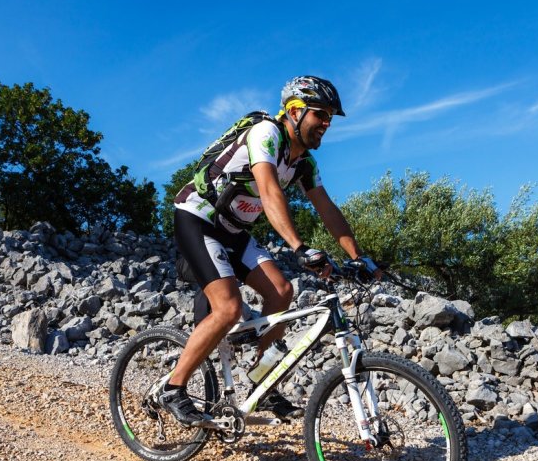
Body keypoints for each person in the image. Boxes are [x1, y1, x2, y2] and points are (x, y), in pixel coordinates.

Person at [162, 75, 382, 426]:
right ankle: (172, 389)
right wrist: (299, 247)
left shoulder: (304, 163)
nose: (326, 124)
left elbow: (327, 209)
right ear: (294, 112)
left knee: (282, 291)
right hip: (197, 219)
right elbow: (268, 191)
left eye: (329, 118)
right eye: (320, 115)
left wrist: (358, 258)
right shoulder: (266, 134)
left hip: (233, 231)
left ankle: (262, 382)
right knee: (229, 308)